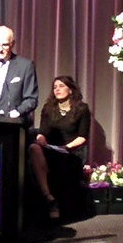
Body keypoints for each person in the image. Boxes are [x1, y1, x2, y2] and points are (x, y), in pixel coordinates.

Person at [29, 77, 91, 219]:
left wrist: (66, 146)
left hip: (70, 151)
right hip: (50, 149)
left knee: (59, 163)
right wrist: (41, 140)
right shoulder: (48, 108)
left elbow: (83, 136)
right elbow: (42, 133)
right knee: (33, 148)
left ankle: (55, 205)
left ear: (70, 90)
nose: (57, 89)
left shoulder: (82, 109)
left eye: (61, 86)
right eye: (55, 87)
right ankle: (48, 197)